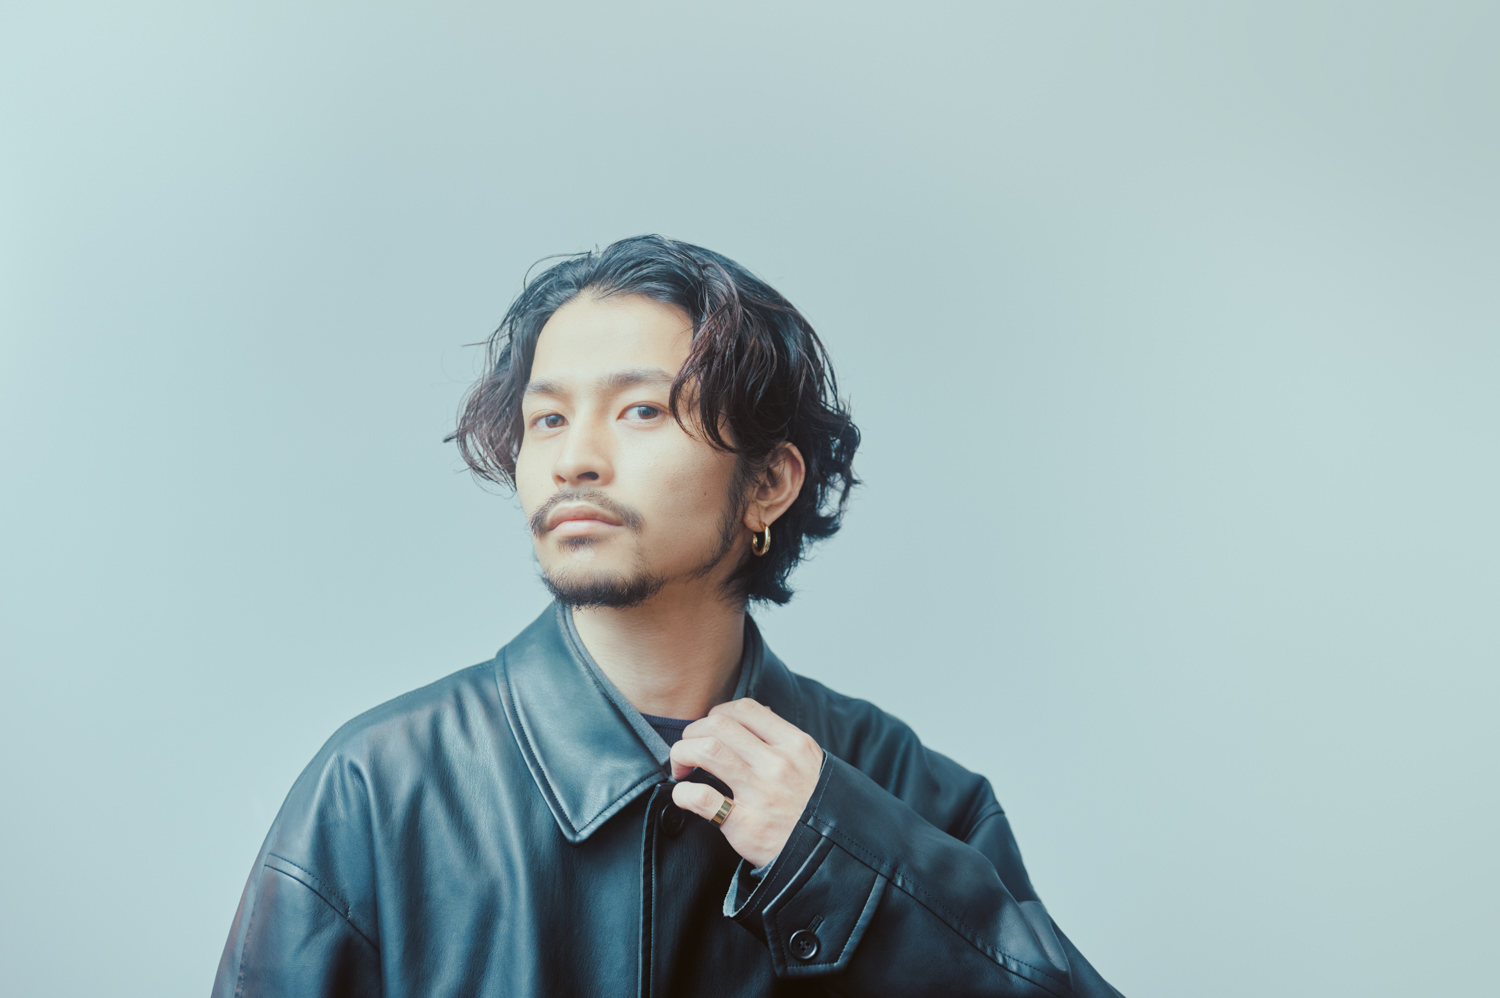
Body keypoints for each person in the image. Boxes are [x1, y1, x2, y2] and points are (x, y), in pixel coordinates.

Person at [212, 235, 1124, 997]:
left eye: (641, 410)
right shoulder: (377, 790)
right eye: (547, 420)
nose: (575, 459)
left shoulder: (911, 792)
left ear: (768, 483)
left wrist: (835, 853)